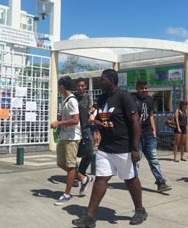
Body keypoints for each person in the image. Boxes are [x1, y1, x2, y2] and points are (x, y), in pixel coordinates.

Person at [72, 69, 147, 228]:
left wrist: (135, 148)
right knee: (101, 179)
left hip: (123, 147)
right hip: (105, 147)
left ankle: (140, 210)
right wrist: (97, 122)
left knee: (130, 179)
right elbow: (101, 118)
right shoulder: (102, 98)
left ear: (111, 80)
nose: (100, 81)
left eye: (103, 79)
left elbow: (135, 122)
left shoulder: (124, 97)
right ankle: (90, 217)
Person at [133, 79, 172, 192]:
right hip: (137, 136)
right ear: (137, 89)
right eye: (141, 88)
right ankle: (134, 183)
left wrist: (154, 130)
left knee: (154, 159)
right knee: (136, 161)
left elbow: (150, 115)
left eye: (145, 88)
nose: (144, 90)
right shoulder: (132, 99)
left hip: (148, 134)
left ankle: (161, 183)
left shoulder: (149, 99)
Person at [50, 76, 81, 205]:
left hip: (72, 138)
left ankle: (67, 194)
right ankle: (83, 178)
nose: (58, 88)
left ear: (62, 86)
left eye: (58, 86)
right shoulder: (65, 100)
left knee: (70, 165)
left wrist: (59, 122)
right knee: (60, 162)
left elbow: (75, 120)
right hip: (64, 136)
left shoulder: (72, 101)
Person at [74, 78, 93, 196]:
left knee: (90, 153)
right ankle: (76, 177)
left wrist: (91, 112)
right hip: (75, 129)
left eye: (82, 86)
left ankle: (81, 172)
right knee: (74, 154)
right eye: (78, 86)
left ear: (85, 86)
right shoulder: (73, 98)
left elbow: (89, 108)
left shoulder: (87, 97)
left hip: (86, 128)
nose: (80, 88)